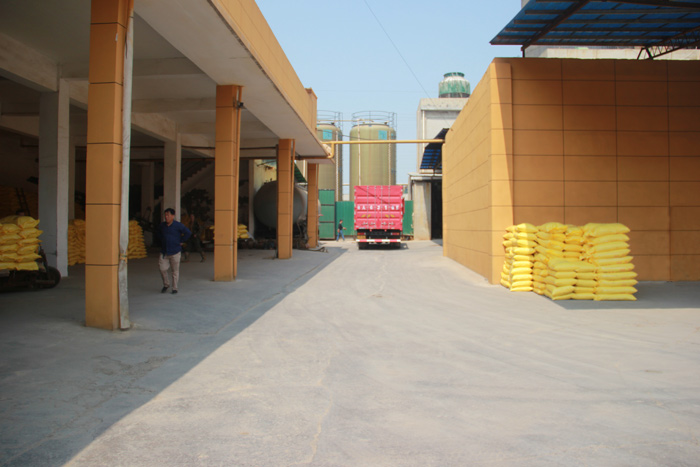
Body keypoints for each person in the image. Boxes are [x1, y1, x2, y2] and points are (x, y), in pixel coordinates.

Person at [157, 208, 191, 294]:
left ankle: (175, 288)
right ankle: (166, 284)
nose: (166, 217)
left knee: (175, 271)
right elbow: (158, 233)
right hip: (164, 252)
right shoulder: (162, 225)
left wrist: (181, 240)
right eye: (165, 215)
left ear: (173, 216)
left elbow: (188, 232)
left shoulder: (178, 225)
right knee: (162, 268)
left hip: (175, 251)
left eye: (168, 215)